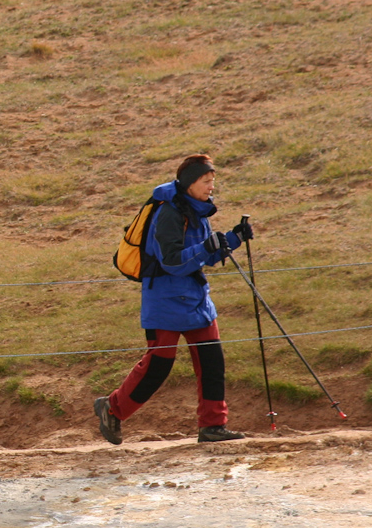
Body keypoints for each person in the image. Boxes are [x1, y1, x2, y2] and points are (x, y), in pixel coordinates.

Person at [95, 155, 253, 445]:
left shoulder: (197, 209)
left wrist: (233, 238)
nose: (211, 186)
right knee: (158, 366)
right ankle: (112, 408)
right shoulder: (168, 213)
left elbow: (203, 256)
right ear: (190, 183)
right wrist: (207, 246)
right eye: (206, 181)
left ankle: (213, 426)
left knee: (212, 363)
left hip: (195, 299)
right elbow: (172, 262)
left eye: (212, 181)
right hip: (164, 299)